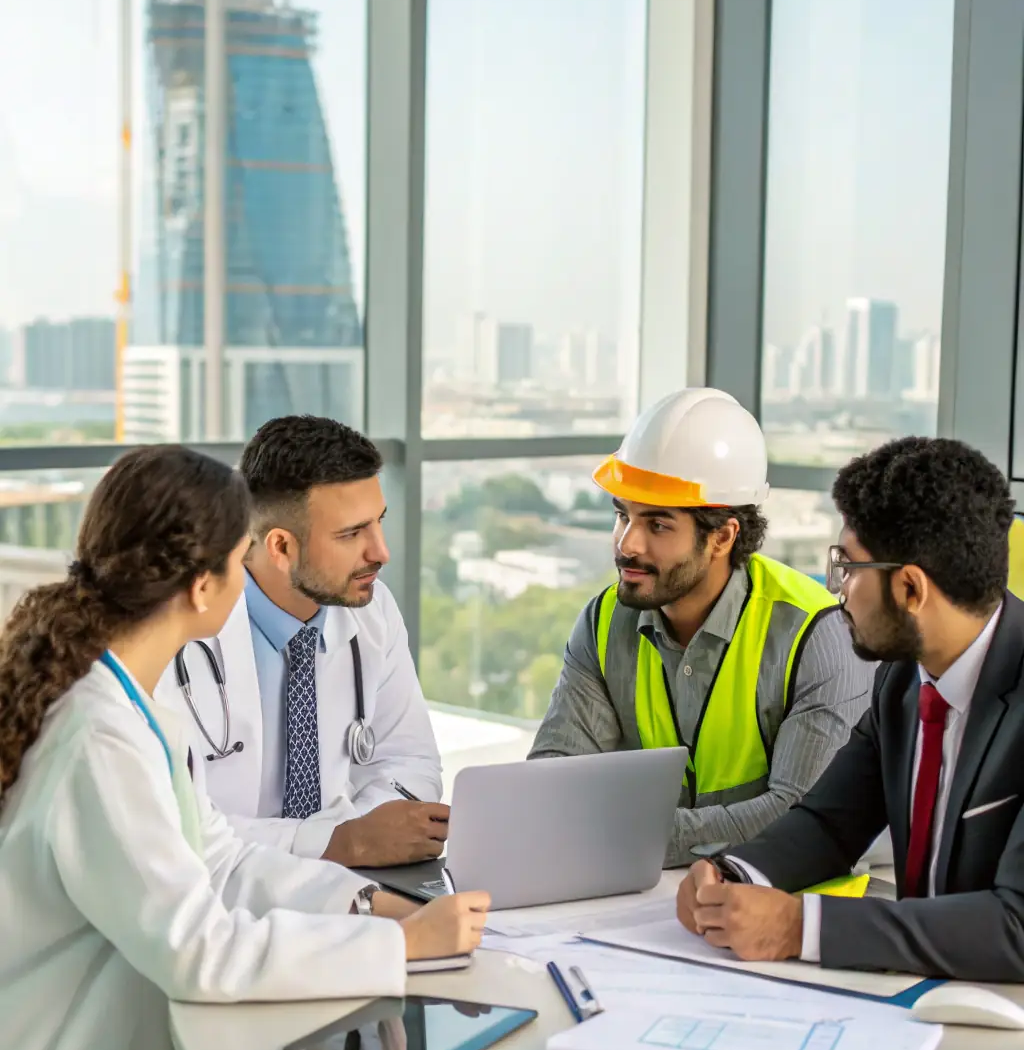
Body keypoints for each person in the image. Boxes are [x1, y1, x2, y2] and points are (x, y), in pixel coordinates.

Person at [0, 445, 489, 1050]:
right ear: (204, 586)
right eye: (239, 557)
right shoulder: (99, 736)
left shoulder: (128, 703)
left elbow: (220, 856)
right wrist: (398, 948)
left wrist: (367, 903)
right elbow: (199, 950)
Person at [675, 435, 1024, 982]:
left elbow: (1017, 926)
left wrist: (801, 928)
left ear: (911, 589)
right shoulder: (902, 677)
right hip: (919, 996)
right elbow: (830, 823)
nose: (838, 590)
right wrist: (731, 876)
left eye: (850, 567)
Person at [531, 387, 875, 865]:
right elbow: (552, 784)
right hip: (633, 890)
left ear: (722, 537)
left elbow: (801, 816)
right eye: (622, 515)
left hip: (777, 897)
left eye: (658, 525)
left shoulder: (816, 634)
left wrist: (616, 835)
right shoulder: (603, 621)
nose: (627, 544)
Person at [157, 415, 448, 869]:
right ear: (281, 547)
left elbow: (410, 760)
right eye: (352, 534)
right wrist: (334, 842)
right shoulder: (176, 634)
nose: (381, 552)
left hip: (345, 884)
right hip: (218, 894)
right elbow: (173, 826)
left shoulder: (372, 610)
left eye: (379, 522)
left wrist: (362, 835)